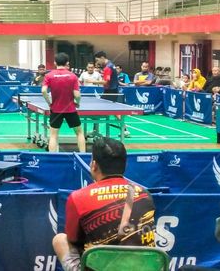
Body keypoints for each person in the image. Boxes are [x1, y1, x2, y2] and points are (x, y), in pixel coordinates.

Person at [52, 138, 156, 270]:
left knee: (60, 240)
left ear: (94, 165)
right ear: (125, 166)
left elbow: (74, 240)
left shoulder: (78, 197)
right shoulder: (144, 193)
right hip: (143, 267)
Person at [41, 53, 85, 152]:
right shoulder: (73, 76)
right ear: (67, 63)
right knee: (79, 133)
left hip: (55, 110)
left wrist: (49, 102)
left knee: (53, 136)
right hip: (71, 109)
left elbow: (43, 91)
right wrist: (77, 102)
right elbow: (77, 95)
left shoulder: (49, 75)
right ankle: (83, 155)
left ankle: (52, 157)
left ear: (55, 62)